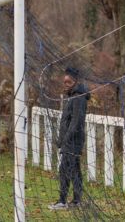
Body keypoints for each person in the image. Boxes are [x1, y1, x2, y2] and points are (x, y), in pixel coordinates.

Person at [48, 67, 90, 210]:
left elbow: (76, 121)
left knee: (65, 170)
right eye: (64, 81)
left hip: (73, 141)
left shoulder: (78, 97)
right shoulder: (72, 96)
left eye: (69, 81)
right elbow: (67, 120)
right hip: (69, 141)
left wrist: (65, 139)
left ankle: (63, 201)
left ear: (75, 81)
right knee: (73, 170)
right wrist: (61, 139)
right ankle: (77, 201)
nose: (66, 83)